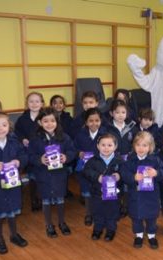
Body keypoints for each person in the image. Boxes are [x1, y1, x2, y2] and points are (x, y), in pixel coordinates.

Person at [28, 108, 76, 238]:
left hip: (59, 174)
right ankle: (49, 224)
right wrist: (40, 160)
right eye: (45, 121)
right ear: (40, 123)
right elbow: (30, 155)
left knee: (60, 199)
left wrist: (66, 157)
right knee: (46, 200)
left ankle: (62, 222)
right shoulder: (35, 139)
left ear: (57, 121)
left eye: (52, 121)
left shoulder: (64, 137)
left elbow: (72, 151)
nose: (49, 124)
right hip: (43, 175)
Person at [121, 131, 163, 249]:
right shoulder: (129, 160)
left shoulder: (155, 160)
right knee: (136, 217)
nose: (141, 148)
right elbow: (124, 174)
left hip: (151, 196)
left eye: (145, 145)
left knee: (152, 217)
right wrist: (133, 178)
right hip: (136, 196)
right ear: (134, 146)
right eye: (138, 145)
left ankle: (151, 235)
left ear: (150, 147)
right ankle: (139, 235)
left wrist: (156, 173)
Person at [0, 112, 28, 254]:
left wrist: (18, 161)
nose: (0, 128)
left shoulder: (14, 141)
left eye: (4, 125)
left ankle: (14, 234)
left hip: (12, 183)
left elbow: (23, 155)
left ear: (9, 126)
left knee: (12, 211)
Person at [83, 134, 123, 242]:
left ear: (115, 146)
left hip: (114, 194)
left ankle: (111, 230)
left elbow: (126, 173)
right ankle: (97, 229)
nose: (106, 148)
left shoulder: (119, 161)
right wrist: (97, 177)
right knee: (97, 211)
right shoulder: (93, 160)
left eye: (109, 145)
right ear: (98, 146)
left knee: (112, 212)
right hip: (97, 193)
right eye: (103, 145)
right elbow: (86, 172)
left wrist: (119, 176)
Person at [74, 108, 107, 226]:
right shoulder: (80, 135)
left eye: (97, 120)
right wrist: (79, 153)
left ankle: (100, 213)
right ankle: (88, 213)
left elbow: (111, 147)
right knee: (87, 191)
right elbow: (74, 148)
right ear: (86, 122)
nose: (94, 123)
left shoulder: (105, 134)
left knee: (98, 191)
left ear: (101, 121)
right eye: (91, 121)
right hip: (84, 169)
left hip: (99, 168)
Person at [15, 92, 45, 211]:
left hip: (42, 151)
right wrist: (23, 139)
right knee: (32, 176)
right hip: (29, 152)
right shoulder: (22, 119)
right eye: (31, 101)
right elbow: (17, 132)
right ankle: (35, 200)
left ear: (42, 103)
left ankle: (44, 199)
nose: (34, 104)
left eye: (37, 101)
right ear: (27, 104)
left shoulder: (45, 117)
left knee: (42, 175)